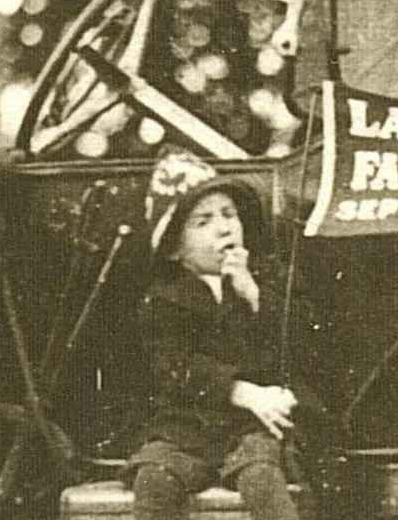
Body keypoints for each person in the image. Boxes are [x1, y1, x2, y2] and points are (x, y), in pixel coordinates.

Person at [122, 153, 307, 520]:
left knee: (261, 476)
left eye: (228, 214)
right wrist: (243, 392)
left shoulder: (264, 283)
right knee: (154, 477)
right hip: (187, 427)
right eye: (203, 222)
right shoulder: (164, 298)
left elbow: (295, 343)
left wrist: (252, 295)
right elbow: (175, 366)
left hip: (251, 429)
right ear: (175, 249)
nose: (224, 228)